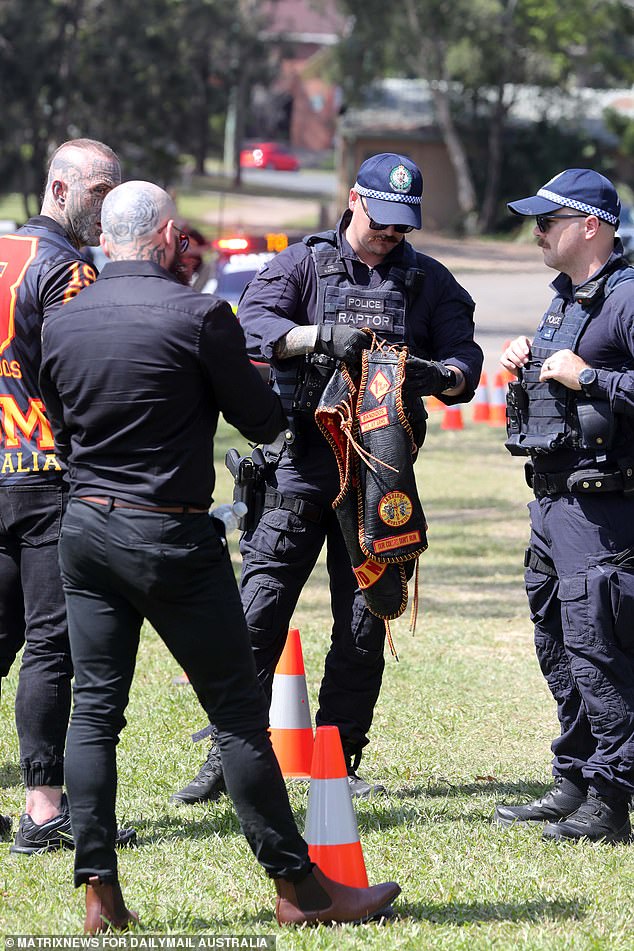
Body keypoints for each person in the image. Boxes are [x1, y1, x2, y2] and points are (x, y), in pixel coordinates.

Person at [39, 180, 401, 931]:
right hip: (169, 534)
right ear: (168, 236)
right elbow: (262, 417)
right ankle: (302, 890)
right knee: (238, 715)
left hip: (85, 528)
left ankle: (99, 893)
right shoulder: (200, 313)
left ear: (106, 239)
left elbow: (61, 425)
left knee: (95, 714)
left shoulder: (62, 318)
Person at [172, 152, 483, 805]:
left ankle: (337, 758)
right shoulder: (303, 263)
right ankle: (231, 755)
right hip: (298, 466)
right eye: (382, 220)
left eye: (404, 226)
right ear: (353, 199)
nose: (392, 235)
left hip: (379, 479)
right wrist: (318, 336)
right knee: (254, 616)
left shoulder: (429, 282)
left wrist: (439, 376)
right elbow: (251, 326)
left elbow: (466, 365)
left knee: (365, 621)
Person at [0, 138, 133, 854]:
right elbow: (89, 371)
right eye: (95, 193)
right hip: (43, 473)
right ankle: (45, 810)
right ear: (58, 189)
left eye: (115, 193)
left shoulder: (5, 251)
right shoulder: (67, 269)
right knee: (52, 643)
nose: (106, 207)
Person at [495, 168, 634, 843]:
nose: (538, 230)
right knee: (559, 645)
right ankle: (576, 777)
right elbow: (559, 384)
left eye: (548, 219)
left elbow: (599, 379)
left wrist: (591, 376)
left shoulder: (628, 297)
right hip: (552, 505)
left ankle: (612, 800)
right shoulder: (564, 298)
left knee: (598, 648)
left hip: (605, 509)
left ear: (590, 225)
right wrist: (527, 356)